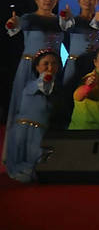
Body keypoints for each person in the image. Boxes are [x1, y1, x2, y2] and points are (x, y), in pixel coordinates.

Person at [5, 0, 66, 122]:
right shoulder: (28, 18)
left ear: (57, 0)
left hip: (52, 68)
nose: (48, 0)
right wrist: (12, 24)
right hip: (29, 66)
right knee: (26, 102)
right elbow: (13, 29)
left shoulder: (60, 21)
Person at [4, 49, 63, 183]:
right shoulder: (33, 85)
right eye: (46, 64)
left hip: (41, 131)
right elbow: (45, 85)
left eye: (54, 64)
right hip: (23, 130)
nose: (50, 67)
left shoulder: (58, 88)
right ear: (37, 67)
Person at [61, 0, 99, 90]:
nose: (88, 0)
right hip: (74, 64)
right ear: (78, 0)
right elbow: (65, 41)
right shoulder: (72, 21)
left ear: (97, 1)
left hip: (95, 66)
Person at [69, 44, 99, 129]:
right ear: (95, 62)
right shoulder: (90, 78)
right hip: (84, 132)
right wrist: (87, 87)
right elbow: (77, 96)